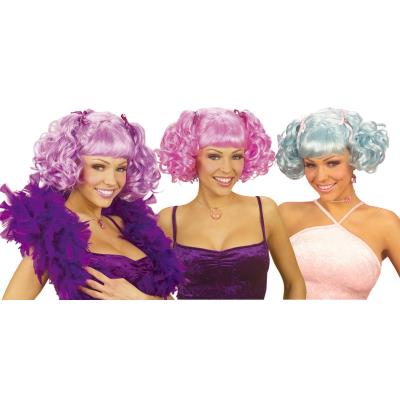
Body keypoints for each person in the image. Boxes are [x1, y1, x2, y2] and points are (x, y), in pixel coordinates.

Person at [0, 110, 181, 300]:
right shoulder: (52, 234)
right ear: (71, 166)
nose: (111, 181)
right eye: (99, 167)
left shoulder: (128, 225)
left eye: (120, 168)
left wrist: (141, 300)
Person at [157, 107, 306, 299]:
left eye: (236, 156)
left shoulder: (264, 210)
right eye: (214, 156)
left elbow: (295, 284)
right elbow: (156, 292)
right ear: (191, 157)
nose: (227, 169)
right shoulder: (169, 220)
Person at [276, 107, 400, 299]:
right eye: (311, 165)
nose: (320, 177)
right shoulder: (286, 214)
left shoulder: (385, 223)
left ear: (355, 159)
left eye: (332, 163)